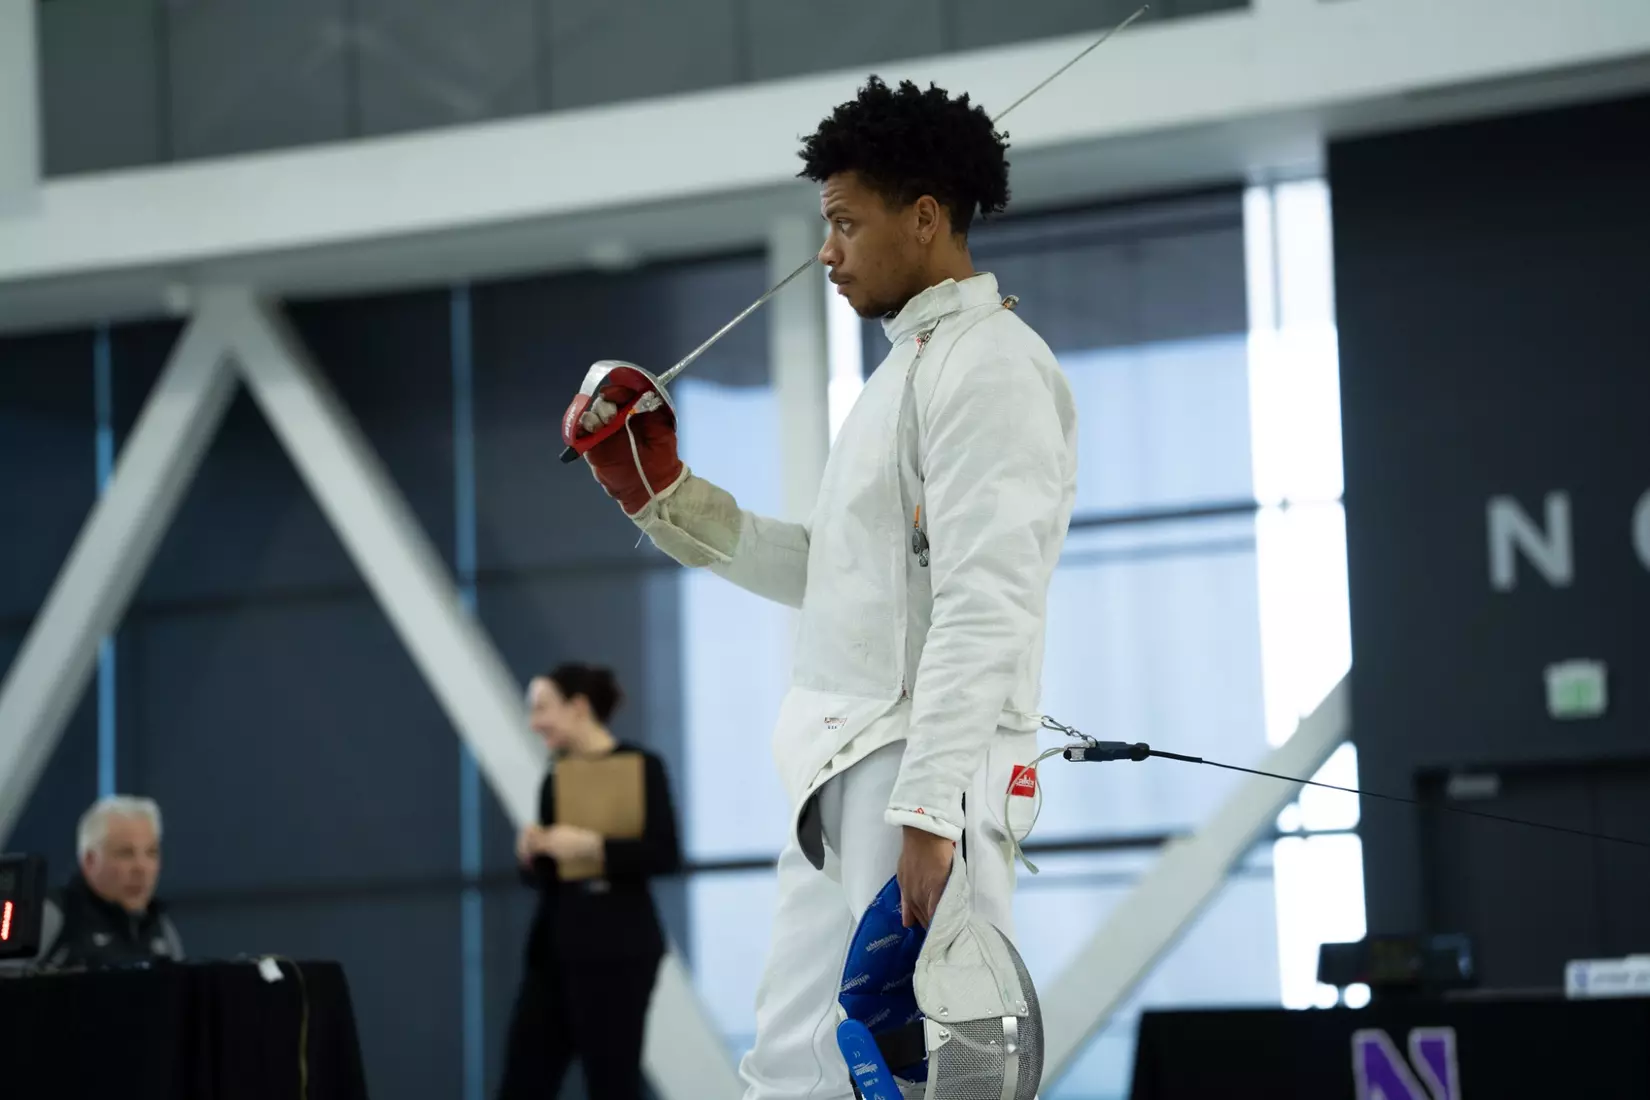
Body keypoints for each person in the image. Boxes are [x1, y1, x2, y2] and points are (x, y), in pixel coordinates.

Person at [571, 75, 1078, 1099]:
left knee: (946, 1076)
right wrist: (662, 495)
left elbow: (989, 598)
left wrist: (933, 809)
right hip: (842, 770)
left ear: (926, 217)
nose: (827, 253)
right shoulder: (907, 370)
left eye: (846, 223)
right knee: (793, 1072)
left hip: (919, 766)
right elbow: (840, 574)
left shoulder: (991, 365)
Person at [497, 662, 683, 1100]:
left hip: (620, 950)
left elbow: (664, 854)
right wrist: (533, 854)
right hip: (555, 951)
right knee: (522, 1081)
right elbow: (548, 879)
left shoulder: (643, 766)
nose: (534, 722)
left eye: (542, 707)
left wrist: (593, 847)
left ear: (578, 706)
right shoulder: (556, 776)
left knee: (612, 1082)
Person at [30, 795, 184, 970]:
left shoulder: (162, 929)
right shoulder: (50, 917)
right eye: (126, 853)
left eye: (152, 853)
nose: (141, 868)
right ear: (90, 860)